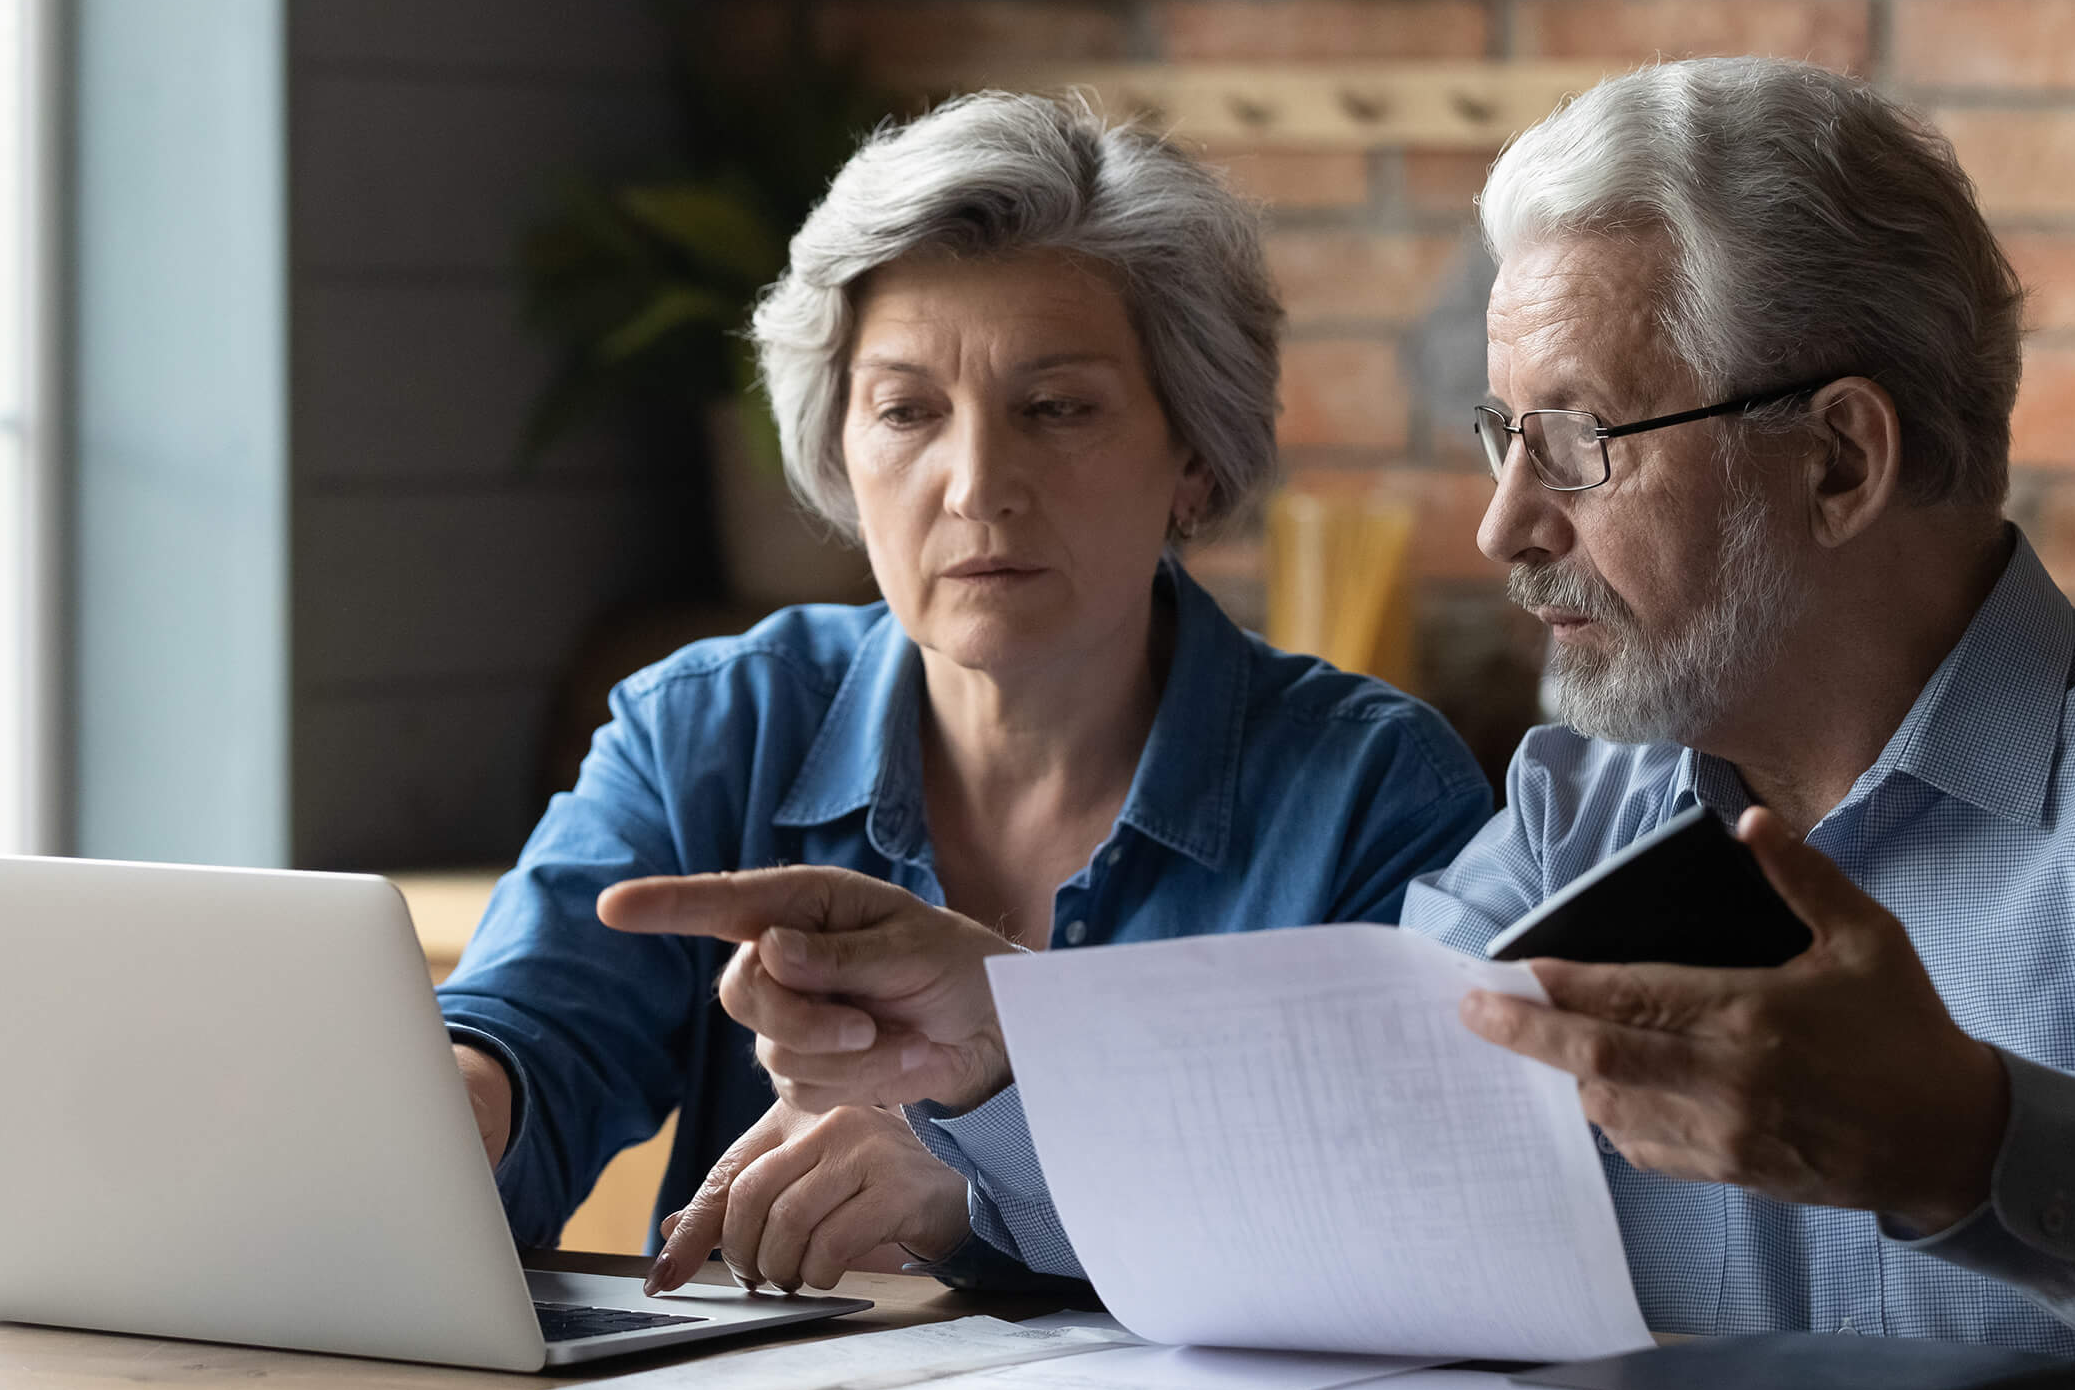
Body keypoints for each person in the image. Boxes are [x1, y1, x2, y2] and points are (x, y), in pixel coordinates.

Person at [632, 58, 2075, 1390]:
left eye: (1576, 443)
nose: (1505, 526)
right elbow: (1313, 1183)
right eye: (1502, 437)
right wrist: (1002, 1053)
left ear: (1841, 460)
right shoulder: (1582, 809)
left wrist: (1973, 1139)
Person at [436, 91, 1493, 1296]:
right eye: (906, 412)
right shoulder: (711, 729)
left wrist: (984, 1186)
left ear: (1193, 456)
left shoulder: (1372, 793)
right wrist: (461, 1110)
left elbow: (1405, 1214)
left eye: (1056, 409)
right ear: (840, 449)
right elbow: (535, 1034)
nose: (977, 485)